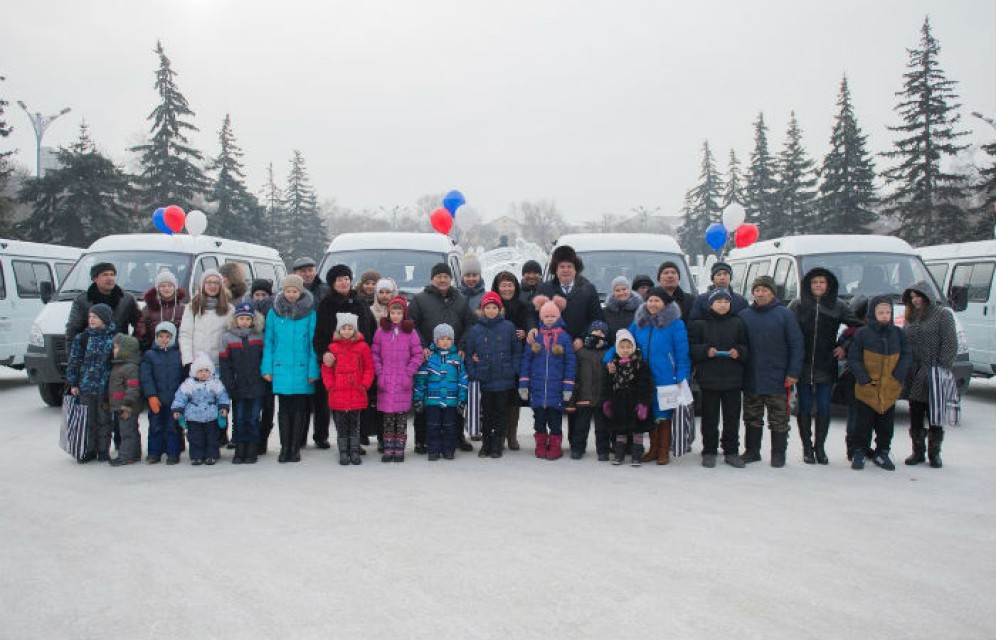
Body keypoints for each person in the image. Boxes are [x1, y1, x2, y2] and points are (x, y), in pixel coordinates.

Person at [606, 287, 691, 465]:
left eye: (657, 300)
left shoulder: (675, 324)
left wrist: (682, 377)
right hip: (642, 376)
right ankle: (653, 449)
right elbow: (623, 342)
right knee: (649, 413)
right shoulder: (640, 322)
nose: (653, 304)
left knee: (664, 415)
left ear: (665, 303)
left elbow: (682, 354)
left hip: (666, 377)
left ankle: (663, 451)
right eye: (650, 300)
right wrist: (608, 359)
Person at [532, 245, 602, 449]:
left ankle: (576, 443)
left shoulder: (587, 289)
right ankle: (550, 438)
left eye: (569, 266)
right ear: (555, 269)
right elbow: (532, 314)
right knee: (552, 397)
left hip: (577, 350)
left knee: (576, 399)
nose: (565, 270)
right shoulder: (545, 288)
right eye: (561, 266)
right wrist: (532, 329)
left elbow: (597, 319)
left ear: (576, 268)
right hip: (550, 354)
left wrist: (584, 337)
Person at [789, 267, 859, 465]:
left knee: (824, 407)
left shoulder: (838, 305)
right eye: (814, 282)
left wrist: (844, 346)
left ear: (829, 285)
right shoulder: (797, 305)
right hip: (803, 363)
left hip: (826, 363)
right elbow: (787, 329)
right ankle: (807, 448)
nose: (818, 285)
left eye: (822, 282)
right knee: (804, 406)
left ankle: (820, 447)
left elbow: (857, 327)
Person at [408, 263, 477, 454]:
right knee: (427, 400)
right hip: (429, 356)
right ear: (432, 279)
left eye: (446, 276)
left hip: (453, 356)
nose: (442, 279)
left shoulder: (461, 299)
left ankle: (457, 437)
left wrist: (461, 346)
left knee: (454, 397)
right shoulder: (420, 299)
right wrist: (422, 346)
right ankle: (421, 440)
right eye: (438, 276)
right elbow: (412, 324)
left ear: (451, 278)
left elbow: (470, 324)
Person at [738, 275, 804, 467]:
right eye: (757, 290)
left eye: (765, 290)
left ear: (772, 293)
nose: (760, 294)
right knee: (752, 416)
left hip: (778, 377)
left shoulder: (785, 314)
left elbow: (796, 344)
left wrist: (793, 372)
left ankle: (778, 453)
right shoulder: (744, 315)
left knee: (779, 418)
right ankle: (752, 451)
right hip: (752, 376)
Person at [313, 265, 376, 450]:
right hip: (338, 362)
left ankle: (357, 440)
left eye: (346, 279)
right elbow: (320, 334)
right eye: (339, 279)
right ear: (333, 283)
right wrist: (324, 353)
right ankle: (343, 442)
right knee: (340, 405)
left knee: (359, 401)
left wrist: (371, 351)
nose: (344, 282)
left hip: (359, 359)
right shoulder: (327, 304)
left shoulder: (359, 300)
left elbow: (371, 327)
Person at [848, 296, 912, 471]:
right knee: (863, 424)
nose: (884, 316)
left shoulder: (898, 334)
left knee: (886, 426)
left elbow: (907, 355)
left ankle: (882, 452)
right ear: (872, 314)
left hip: (889, 390)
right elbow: (854, 358)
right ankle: (859, 451)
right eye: (880, 312)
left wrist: (898, 375)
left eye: (888, 312)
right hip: (867, 390)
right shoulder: (863, 333)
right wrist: (863, 378)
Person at [263, 275, 321, 463]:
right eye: (288, 291)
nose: (291, 294)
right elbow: (269, 342)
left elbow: (313, 344)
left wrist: (313, 371)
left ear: (301, 291)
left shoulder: (310, 313)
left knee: (299, 409)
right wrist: (267, 368)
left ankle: (295, 447)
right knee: (284, 409)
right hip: (281, 368)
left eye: (295, 291)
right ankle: (284, 447)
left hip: (302, 369)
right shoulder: (275, 312)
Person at [688, 289, 749, 468]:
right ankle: (709, 450)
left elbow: (746, 346)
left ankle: (731, 451)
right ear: (710, 304)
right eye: (718, 301)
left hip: (733, 379)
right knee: (709, 418)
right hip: (709, 379)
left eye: (726, 301)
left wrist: (739, 352)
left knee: (732, 418)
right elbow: (692, 348)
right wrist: (705, 351)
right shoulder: (700, 324)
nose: (722, 305)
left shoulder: (738, 323)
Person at [901, 282, 958, 469]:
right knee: (916, 412)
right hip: (915, 373)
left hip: (935, 371)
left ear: (927, 296)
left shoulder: (942, 315)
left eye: (918, 296)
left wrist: (942, 368)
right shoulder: (911, 317)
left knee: (935, 414)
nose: (915, 300)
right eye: (912, 297)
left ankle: (935, 453)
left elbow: (950, 344)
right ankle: (917, 452)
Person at [465, 291, 523, 459]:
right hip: (485, 378)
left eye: (494, 308)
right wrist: (473, 372)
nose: (491, 311)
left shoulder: (508, 327)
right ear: (482, 310)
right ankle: (486, 444)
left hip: (504, 379)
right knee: (487, 413)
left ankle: (498, 444)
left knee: (501, 413)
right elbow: (469, 354)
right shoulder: (475, 330)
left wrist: (513, 369)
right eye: (488, 308)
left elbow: (517, 351)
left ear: (499, 309)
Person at [519, 296, 576, 461]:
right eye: (546, 316)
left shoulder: (564, 337)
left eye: (553, 316)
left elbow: (570, 362)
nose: (549, 319)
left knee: (555, 420)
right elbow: (526, 360)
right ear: (541, 317)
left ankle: (555, 445)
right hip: (537, 389)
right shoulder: (535, 336)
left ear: (558, 317)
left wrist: (568, 386)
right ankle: (541, 443)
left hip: (556, 388)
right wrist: (523, 383)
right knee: (539, 420)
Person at [372, 296, 423, 462]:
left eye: (399, 313)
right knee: (388, 417)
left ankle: (399, 448)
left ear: (404, 314)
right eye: (393, 312)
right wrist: (380, 373)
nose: (395, 316)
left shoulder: (411, 333)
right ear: (388, 313)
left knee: (401, 418)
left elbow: (417, 355)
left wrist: (409, 373)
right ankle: (388, 448)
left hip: (403, 381)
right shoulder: (381, 332)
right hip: (386, 381)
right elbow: (375, 355)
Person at [322, 312, 375, 466]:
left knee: (355, 424)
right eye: (343, 328)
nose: (346, 331)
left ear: (355, 330)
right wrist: (331, 386)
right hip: (338, 392)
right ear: (339, 330)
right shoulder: (332, 348)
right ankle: (343, 451)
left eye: (350, 328)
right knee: (342, 425)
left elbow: (369, 367)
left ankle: (354, 451)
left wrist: (364, 384)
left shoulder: (363, 347)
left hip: (356, 391)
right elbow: (326, 369)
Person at [66, 303, 116, 463]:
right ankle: (88, 450)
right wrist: (73, 383)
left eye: (95, 317)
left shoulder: (113, 338)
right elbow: (74, 361)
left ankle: (103, 450)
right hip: (85, 387)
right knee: (87, 420)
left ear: (105, 319)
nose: (91, 320)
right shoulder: (82, 338)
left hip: (105, 388)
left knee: (104, 420)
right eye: (90, 316)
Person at [219, 302, 268, 465]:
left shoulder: (259, 336)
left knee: (253, 418)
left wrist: (263, 378)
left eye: (248, 319)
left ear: (253, 320)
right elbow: (225, 363)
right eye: (241, 319)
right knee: (239, 418)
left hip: (256, 385)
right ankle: (240, 449)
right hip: (238, 385)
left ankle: (252, 448)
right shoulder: (227, 337)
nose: (244, 322)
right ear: (235, 319)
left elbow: (265, 359)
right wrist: (229, 382)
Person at [413, 324, 469, 461]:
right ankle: (433, 450)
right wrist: (418, 398)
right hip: (433, 400)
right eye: (442, 339)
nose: (445, 342)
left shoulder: (457, 359)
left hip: (451, 399)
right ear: (436, 340)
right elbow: (421, 379)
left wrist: (462, 399)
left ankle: (448, 449)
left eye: (448, 339)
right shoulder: (430, 358)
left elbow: (463, 379)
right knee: (433, 426)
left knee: (450, 426)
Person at [492, 271, 533, 451]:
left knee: (514, 400)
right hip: (496, 358)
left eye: (510, 285)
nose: (507, 289)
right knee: (498, 399)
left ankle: (512, 435)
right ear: (497, 287)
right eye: (503, 285)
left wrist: (526, 331)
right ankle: (499, 435)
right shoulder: (491, 305)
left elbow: (531, 322)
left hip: (516, 357)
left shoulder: (523, 305)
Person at [603, 329, 655, 466]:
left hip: (635, 402)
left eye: (628, 347)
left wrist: (643, 403)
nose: (625, 350)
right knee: (620, 431)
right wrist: (608, 401)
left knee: (637, 431)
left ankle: (637, 455)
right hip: (619, 403)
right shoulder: (613, 365)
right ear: (617, 348)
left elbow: (646, 385)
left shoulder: (640, 364)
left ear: (633, 347)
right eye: (622, 347)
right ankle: (619, 454)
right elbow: (608, 384)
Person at [171, 352, 230, 466]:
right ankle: (196, 456)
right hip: (194, 417)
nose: (204, 373)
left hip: (211, 416)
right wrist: (177, 409)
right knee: (195, 438)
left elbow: (223, 396)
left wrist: (223, 407)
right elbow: (180, 397)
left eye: (206, 370)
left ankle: (211, 455)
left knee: (212, 437)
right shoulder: (189, 384)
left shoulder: (215, 383)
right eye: (200, 371)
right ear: (194, 372)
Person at [66, 262, 143, 346]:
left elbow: (140, 325)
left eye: (112, 274)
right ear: (95, 279)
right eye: (105, 275)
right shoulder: (82, 300)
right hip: (92, 350)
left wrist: (132, 345)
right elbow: (73, 330)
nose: (110, 278)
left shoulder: (127, 299)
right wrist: (74, 352)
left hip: (119, 350)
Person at [140, 321, 184, 465]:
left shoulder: (178, 355)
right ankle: (154, 453)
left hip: (174, 400)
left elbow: (183, 378)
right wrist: (151, 395)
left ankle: (173, 453)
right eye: (160, 336)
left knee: (173, 427)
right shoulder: (150, 355)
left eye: (167, 336)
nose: (164, 340)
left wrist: (181, 398)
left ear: (173, 337)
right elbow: (146, 377)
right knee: (155, 426)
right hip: (156, 399)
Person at [836, 295, 869, 462]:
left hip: (862, 377)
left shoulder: (849, 333)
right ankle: (854, 447)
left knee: (859, 414)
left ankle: (859, 446)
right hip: (855, 377)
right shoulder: (852, 333)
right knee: (857, 414)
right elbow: (841, 351)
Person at [179, 269, 233, 369]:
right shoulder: (192, 307)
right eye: (209, 282)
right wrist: (188, 361)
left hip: (220, 364)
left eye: (216, 283)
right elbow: (185, 335)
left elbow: (232, 336)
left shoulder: (229, 309)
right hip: (197, 364)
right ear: (203, 285)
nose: (212, 286)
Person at [572, 321, 610, 460]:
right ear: (589, 332)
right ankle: (578, 448)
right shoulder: (581, 351)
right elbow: (575, 373)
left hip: (601, 397)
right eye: (595, 330)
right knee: (581, 426)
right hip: (584, 395)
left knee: (602, 428)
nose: (598, 333)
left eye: (602, 332)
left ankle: (603, 451)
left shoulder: (608, 353)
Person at [107, 334, 144, 466]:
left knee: (127, 431)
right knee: (129, 429)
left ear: (125, 350)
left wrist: (127, 404)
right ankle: (134, 453)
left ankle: (126, 455)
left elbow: (133, 388)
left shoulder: (130, 367)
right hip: (120, 405)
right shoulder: (118, 365)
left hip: (127, 406)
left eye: (116, 348)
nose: (113, 350)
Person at [249, 279, 275, 453]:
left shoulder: (274, 311)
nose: (260, 298)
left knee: (268, 404)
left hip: (269, 363)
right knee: (251, 405)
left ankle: (263, 438)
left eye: (263, 294)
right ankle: (251, 438)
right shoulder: (246, 311)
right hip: (251, 364)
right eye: (256, 294)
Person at [140, 270, 188, 351]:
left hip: (178, 351)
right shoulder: (148, 309)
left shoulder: (184, 309)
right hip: (154, 351)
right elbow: (141, 329)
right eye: (162, 286)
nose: (166, 288)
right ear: (157, 289)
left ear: (175, 287)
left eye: (170, 285)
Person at [603, 276, 643, 345]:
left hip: (635, 349)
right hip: (611, 348)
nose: (621, 293)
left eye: (624, 289)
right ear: (613, 292)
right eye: (617, 290)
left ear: (629, 290)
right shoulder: (606, 311)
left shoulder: (641, 311)